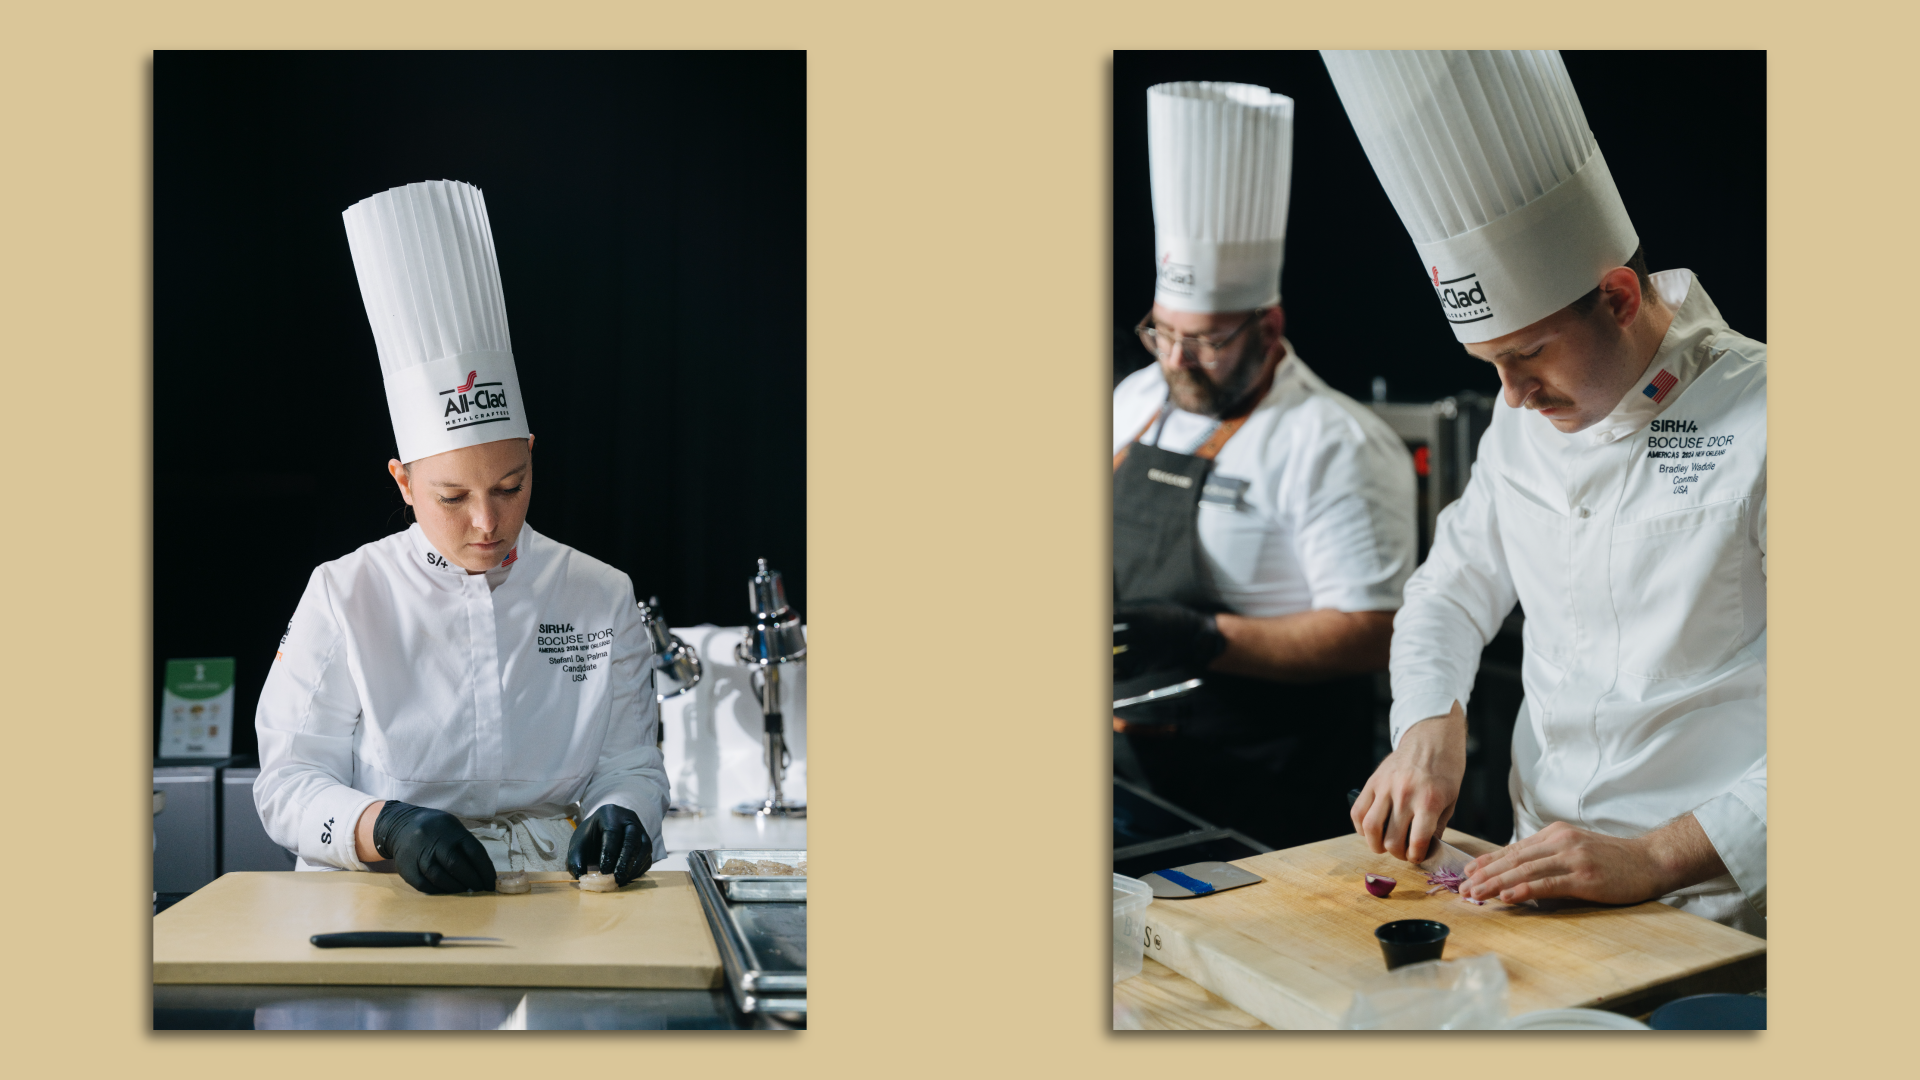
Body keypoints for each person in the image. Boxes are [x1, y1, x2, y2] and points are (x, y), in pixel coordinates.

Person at [1323, 51, 1766, 935]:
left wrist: (1652, 856)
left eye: (1527, 355)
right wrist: (1428, 719)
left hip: (1721, 901)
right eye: (1492, 367)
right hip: (1535, 877)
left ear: (1616, 295)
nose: (1515, 395)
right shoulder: (1523, 415)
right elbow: (1451, 586)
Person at [253, 180, 667, 894]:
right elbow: (287, 784)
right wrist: (388, 826)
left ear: (532, 454)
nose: (487, 522)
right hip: (377, 898)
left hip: (554, 902)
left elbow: (631, 766)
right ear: (402, 483)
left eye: (511, 486)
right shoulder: (347, 592)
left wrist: (623, 811)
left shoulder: (600, 594)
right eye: (452, 497)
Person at [1114, 82, 1418, 850]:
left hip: (1264, 791)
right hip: (1131, 767)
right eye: (1164, 333)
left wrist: (1200, 638)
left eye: (1208, 341)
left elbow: (1375, 631)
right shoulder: (1136, 397)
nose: (1180, 361)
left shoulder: (1332, 441)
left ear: (1270, 323)